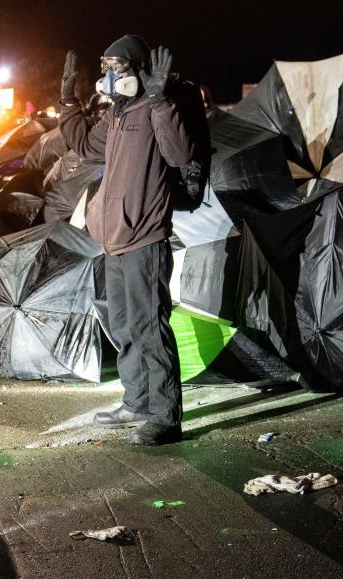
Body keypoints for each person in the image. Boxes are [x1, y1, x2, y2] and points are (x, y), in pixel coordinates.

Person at [59, 35, 195, 446]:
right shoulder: (116, 115)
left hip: (144, 237)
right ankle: (136, 401)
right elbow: (84, 146)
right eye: (107, 68)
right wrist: (68, 104)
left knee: (149, 326)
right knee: (122, 325)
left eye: (118, 68)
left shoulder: (154, 108)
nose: (111, 76)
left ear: (138, 69)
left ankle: (165, 416)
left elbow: (180, 155)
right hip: (115, 238)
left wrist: (159, 100)